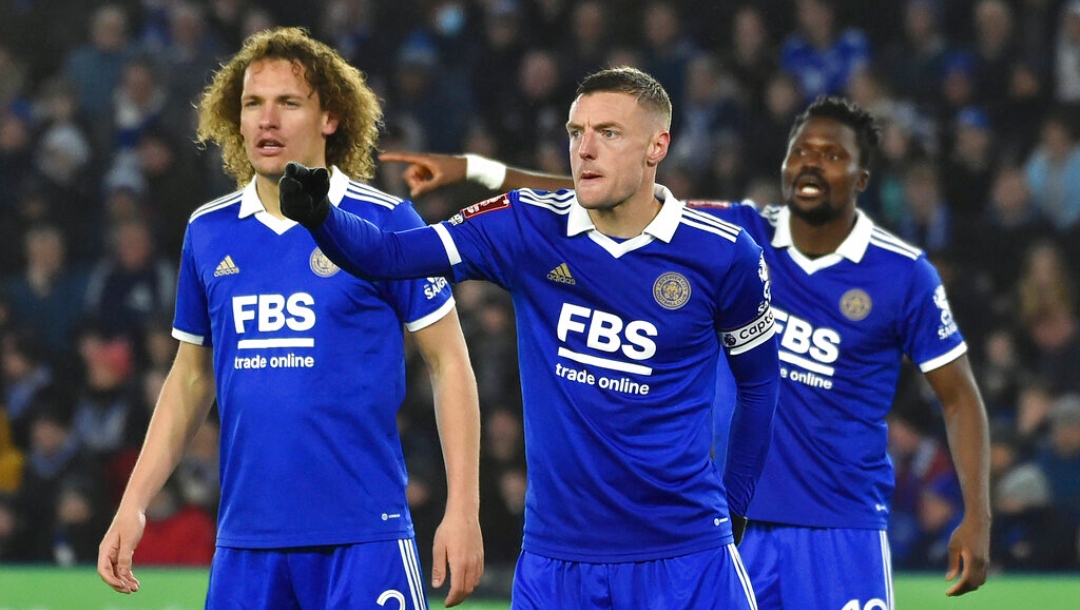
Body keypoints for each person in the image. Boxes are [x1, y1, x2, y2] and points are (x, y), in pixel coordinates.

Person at [379, 95, 992, 607]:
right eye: (800, 151)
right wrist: (477, 169)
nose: (810, 164)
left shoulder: (903, 274)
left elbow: (960, 397)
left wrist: (977, 513)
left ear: (862, 176)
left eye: (832, 155)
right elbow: (607, 196)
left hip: (838, 525)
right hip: (728, 520)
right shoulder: (738, 235)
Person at [281, 66, 780, 610]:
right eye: (575, 132)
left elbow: (759, 387)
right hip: (556, 561)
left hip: (685, 555)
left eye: (608, 133)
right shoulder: (527, 226)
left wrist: (734, 509)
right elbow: (391, 255)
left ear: (657, 145)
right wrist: (322, 217)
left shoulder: (723, 254)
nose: (584, 149)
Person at [96, 27, 484, 609]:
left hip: (365, 538)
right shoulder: (209, 231)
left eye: (288, 103)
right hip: (247, 545)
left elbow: (449, 363)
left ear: (329, 117)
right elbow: (191, 377)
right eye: (253, 103)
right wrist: (134, 502)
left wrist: (463, 510)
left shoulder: (387, 222)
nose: (266, 120)